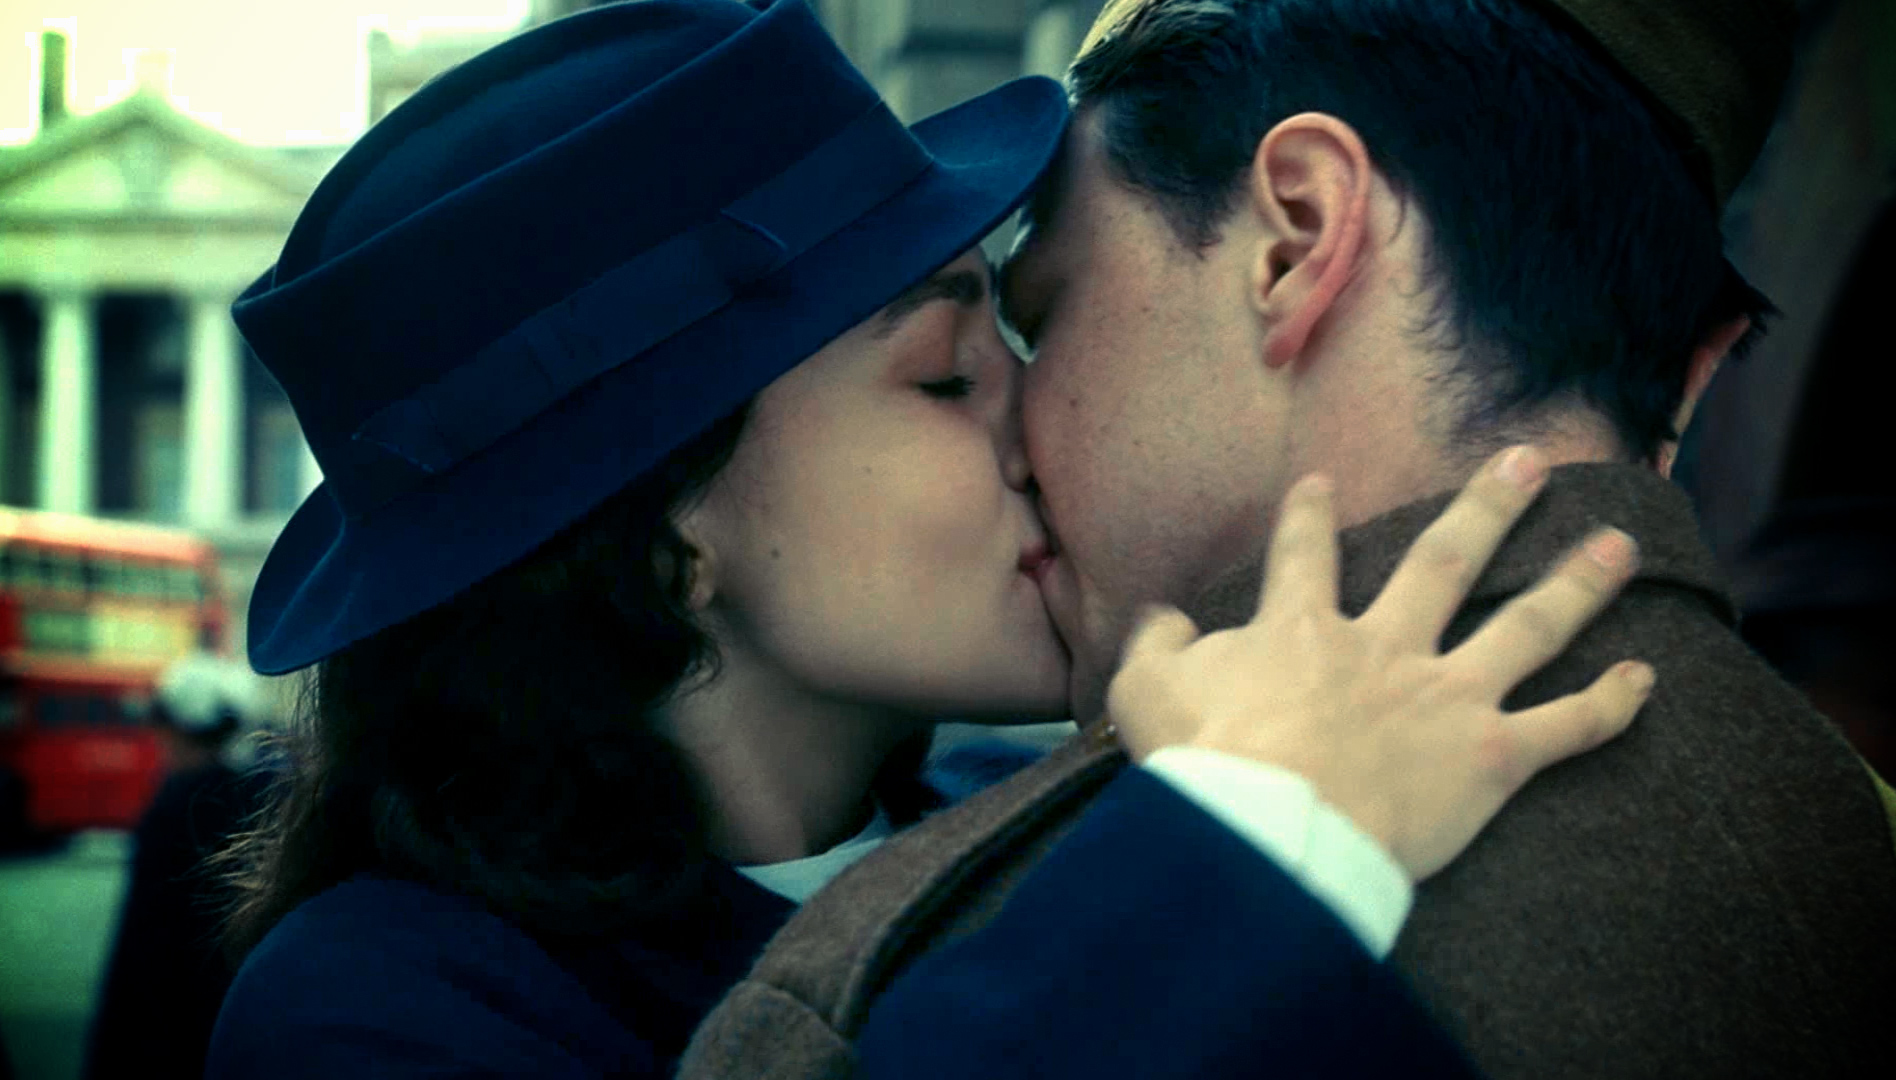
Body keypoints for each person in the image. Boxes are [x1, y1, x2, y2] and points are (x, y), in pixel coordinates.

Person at [203, 1, 1656, 1077]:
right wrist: (1245, 863)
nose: (1049, 416)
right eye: (948, 377)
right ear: (663, 543)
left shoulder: (1076, 803)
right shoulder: (380, 1012)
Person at [685, 0, 1896, 1077]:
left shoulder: (918, 975)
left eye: (1043, 315)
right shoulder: (1839, 843)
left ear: (1298, 236)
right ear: (1686, 385)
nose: (1016, 423)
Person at [86, 654, 277, 1080]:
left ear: (178, 729)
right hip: (232, 1001)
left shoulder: (173, 805)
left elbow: (144, 936)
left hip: (166, 1014)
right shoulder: (259, 794)